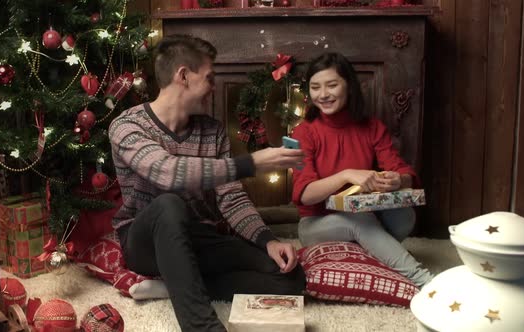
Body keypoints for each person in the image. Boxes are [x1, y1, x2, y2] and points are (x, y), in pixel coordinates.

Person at [108, 34, 306, 332]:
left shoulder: (212, 131)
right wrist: (252, 163)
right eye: (210, 78)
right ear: (183, 76)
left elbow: (232, 198)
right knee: (168, 204)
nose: (214, 88)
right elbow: (167, 172)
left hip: (198, 236)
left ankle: (175, 287)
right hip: (144, 243)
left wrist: (269, 240)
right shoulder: (127, 125)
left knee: (290, 277)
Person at [290, 52, 433, 287]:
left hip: (365, 217)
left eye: (332, 85)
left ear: (349, 86)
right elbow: (304, 194)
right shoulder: (303, 133)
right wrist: (346, 174)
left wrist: (398, 180)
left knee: (404, 215)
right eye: (315, 87)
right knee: (360, 221)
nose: (323, 94)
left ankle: (367, 258)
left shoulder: (372, 127)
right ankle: (424, 281)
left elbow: (402, 170)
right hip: (316, 224)